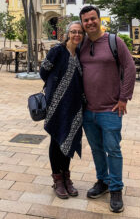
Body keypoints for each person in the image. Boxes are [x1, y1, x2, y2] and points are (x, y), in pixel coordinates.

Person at [79, 5, 136, 213]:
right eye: (86, 20)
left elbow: (130, 67)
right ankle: (102, 181)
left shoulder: (114, 41)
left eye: (93, 19)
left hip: (110, 109)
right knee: (96, 149)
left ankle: (116, 188)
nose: (90, 23)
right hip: (87, 110)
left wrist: (124, 98)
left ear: (99, 19)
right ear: (83, 23)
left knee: (113, 149)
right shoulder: (82, 43)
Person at [39, 21, 85, 199]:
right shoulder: (57, 51)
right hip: (56, 104)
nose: (76, 35)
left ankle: (66, 176)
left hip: (74, 105)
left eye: (79, 32)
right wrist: (56, 90)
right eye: (73, 32)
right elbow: (44, 72)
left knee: (69, 139)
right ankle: (57, 179)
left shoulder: (80, 53)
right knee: (57, 140)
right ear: (68, 33)